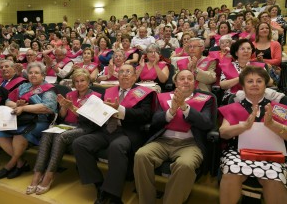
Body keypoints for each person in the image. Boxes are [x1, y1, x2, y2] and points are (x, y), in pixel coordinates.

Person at [72, 64, 155, 204]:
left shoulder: (145, 92)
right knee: (79, 143)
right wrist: (81, 112)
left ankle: (113, 194)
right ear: (117, 76)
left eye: (128, 71)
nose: (124, 74)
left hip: (126, 133)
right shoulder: (109, 91)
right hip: (105, 130)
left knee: (116, 147)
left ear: (135, 76)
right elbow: (99, 112)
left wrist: (121, 110)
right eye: (121, 71)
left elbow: (145, 115)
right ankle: (99, 184)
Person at [134, 69, 214, 204]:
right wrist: (171, 111)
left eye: (190, 78)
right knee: (141, 155)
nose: (186, 81)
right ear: (176, 82)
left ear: (195, 83)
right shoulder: (163, 97)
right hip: (163, 141)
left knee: (185, 165)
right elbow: (155, 120)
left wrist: (184, 107)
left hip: (190, 144)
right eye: (182, 78)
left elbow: (206, 123)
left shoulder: (206, 99)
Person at [26, 68, 101, 195]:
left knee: (60, 137)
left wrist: (72, 107)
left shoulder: (95, 96)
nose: (79, 84)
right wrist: (65, 108)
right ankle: (37, 174)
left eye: (82, 80)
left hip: (85, 127)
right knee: (47, 133)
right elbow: (62, 116)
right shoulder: (70, 95)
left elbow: (89, 119)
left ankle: (49, 175)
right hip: (68, 125)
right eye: (76, 81)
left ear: (88, 81)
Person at [218, 66, 287, 204]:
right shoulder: (235, 106)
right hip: (237, 153)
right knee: (231, 173)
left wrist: (273, 124)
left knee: (274, 178)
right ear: (243, 86)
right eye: (250, 81)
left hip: (273, 155)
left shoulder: (276, 108)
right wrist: (243, 126)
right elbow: (223, 133)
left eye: (259, 81)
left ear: (265, 85)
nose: (254, 84)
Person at [0, 62, 57, 180]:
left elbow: (47, 108)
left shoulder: (48, 89)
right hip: (20, 118)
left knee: (20, 135)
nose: (33, 75)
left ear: (43, 75)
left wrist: (23, 108)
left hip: (40, 121)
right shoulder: (24, 86)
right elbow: (7, 101)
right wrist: (17, 104)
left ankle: (10, 164)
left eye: (36, 73)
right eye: (31, 73)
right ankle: (20, 163)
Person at [220, 39, 272, 105]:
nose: (246, 51)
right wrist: (243, 77)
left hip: (257, 95)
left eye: (248, 48)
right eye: (242, 49)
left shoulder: (258, 66)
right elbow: (223, 85)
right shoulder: (227, 67)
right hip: (233, 97)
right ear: (236, 53)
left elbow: (270, 82)